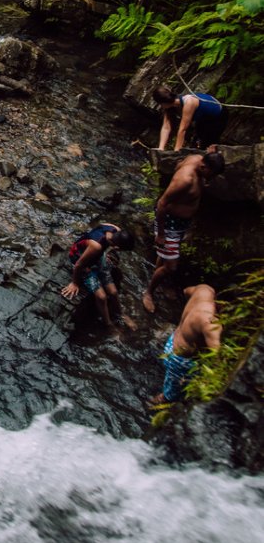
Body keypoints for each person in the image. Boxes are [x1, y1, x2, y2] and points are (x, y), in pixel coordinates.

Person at [142, 151, 225, 313]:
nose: (212, 178)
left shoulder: (197, 158)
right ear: (203, 166)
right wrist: (161, 234)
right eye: (211, 174)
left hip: (180, 222)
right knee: (171, 266)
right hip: (169, 224)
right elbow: (162, 204)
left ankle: (158, 277)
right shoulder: (185, 180)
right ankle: (148, 292)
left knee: (166, 256)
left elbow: (179, 163)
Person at [150, 284, 221, 405]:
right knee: (169, 396)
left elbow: (185, 291)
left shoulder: (204, 290)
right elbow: (218, 360)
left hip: (172, 342)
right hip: (180, 361)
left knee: (171, 380)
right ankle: (154, 404)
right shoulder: (211, 324)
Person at [61, 224, 135, 331]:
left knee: (113, 292)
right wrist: (75, 283)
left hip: (97, 256)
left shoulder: (116, 230)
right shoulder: (96, 246)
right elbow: (78, 265)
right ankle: (108, 324)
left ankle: (120, 315)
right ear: (117, 246)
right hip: (81, 259)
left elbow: (101, 228)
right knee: (101, 297)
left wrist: (104, 254)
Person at [152, 85, 228, 151]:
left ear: (163, 103)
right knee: (197, 142)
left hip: (218, 117)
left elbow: (183, 129)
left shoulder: (188, 102)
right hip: (202, 119)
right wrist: (161, 148)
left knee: (208, 144)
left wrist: (177, 150)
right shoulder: (169, 107)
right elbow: (166, 127)